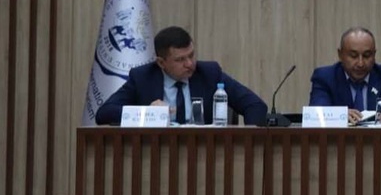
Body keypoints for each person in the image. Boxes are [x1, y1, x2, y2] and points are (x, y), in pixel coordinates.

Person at [95, 26, 268, 125]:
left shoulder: (209, 74)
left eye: (191, 55)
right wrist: (147, 113)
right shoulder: (143, 78)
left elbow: (255, 105)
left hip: (205, 155)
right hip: (156, 155)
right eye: (180, 59)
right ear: (161, 63)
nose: (190, 64)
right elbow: (104, 113)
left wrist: (249, 143)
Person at [309, 27, 381, 124]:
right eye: (353, 56)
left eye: (367, 56)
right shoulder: (325, 77)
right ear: (340, 55)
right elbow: (316, 113)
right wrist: (340, 115)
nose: (360, 63)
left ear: (374, 55)